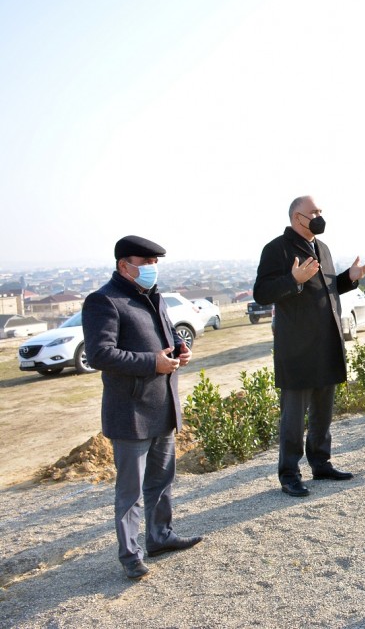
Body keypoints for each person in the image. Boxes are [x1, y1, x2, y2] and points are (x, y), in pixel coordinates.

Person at [82, 235, 203, 580]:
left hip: (163, 405)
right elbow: (100, 354)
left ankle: (160, 537)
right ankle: (130, 554)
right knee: (131, 491)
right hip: (131, 410)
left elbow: (166, 336)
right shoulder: (104, 300)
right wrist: (152, 362)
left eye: (155, 263)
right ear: (124, 265)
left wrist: (179, 348)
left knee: (162, 481)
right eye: (146, 263)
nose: (152, 268)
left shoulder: (154, 297)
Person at [253, 195, 365, 497]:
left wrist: (349, 278)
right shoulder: (277, 249)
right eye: (313, 212)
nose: (319, 215)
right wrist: (292, 279)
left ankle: (321, 462)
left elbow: (328, 288)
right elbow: (262, 293)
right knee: (293, 417)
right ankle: (289, 473)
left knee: (322, 412)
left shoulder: (323, 248)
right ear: (297, 218)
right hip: (297, 349)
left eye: (320, 210)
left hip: (326, 343)